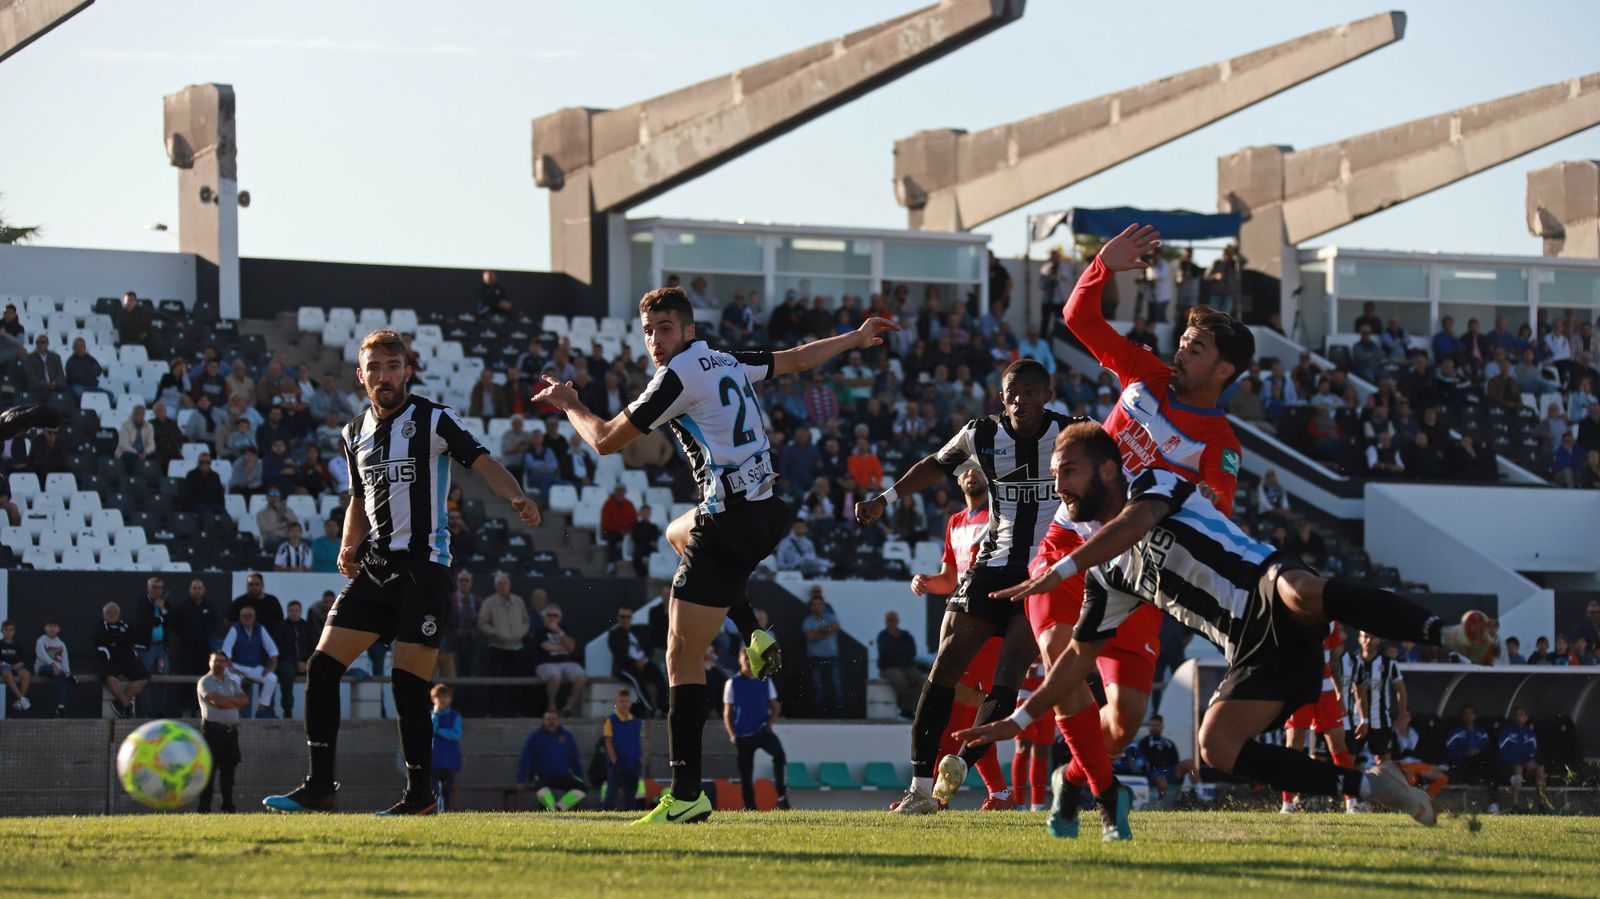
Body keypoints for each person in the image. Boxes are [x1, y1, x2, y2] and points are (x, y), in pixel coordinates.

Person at [958, 421, 1503, 829]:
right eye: (1054, 476)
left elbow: (1138, 522)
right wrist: (1020, 718)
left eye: (1067, 472)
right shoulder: (1107, 573)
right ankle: (1374, 788)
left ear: (1106, 470)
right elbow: (1076, 658)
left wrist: (1060, 570)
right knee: (1217, 745)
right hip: (1253, 650)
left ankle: (1450, 635)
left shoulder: (1154, 481)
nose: (1060, 488)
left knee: (1302, 589)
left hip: (1268, 585)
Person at [530, 285, 895, 825]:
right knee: (677, 531)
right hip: (767, 511)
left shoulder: (677, 376)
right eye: (649, 331)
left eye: (666, 329)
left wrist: (571, 404)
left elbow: (605, 440)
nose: (656, 340)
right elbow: (793, 359)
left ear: (688, 330)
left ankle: (684, 795)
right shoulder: (723, 358)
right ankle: (751, 627)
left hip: (730, 523)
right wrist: (856, 338)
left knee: (680, 656)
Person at [1022, 224, 1251, 840]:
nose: (1180, 353)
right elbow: (1078, 317)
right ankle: (1107, 801)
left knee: (1122, 722)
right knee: (1062, 664)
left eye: (1195, 349)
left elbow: (1215, 510)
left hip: (1140, 576)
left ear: (1225, 368)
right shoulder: (1144, 374)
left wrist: (1184, 496)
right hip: (1066, 546)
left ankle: (1071, 779)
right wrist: (1103, 265)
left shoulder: (1220, 444)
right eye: (1182, 341)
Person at [263, 328, 542, 816]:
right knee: (323, 667)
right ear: (360, 375)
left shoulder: (432, 419)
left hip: (425, 570)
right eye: (374, 368)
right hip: (375, 567)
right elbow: (356, 498)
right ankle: (320, 785)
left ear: (406, 370)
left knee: (407, 684)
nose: (383, 376)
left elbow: (482, 461)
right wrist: (349, 544)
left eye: (392, 367)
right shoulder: (353, 433)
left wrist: (516, 495)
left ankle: (419, 796)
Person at [855, 356, 1068, 817]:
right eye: (1013, 392)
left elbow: (1114, 470)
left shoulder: (1070, 435)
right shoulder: (982, 434)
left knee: (1008, 676)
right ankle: (919, 784)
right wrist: (885, 499)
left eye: (1031, 391)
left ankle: (961, 767)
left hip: (1041, 575)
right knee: (943, 670)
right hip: (990, 568)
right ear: (1002, 397)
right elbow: (935, 463)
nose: (1020, 400)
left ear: (1047, 395)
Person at [901, 465, 1012, 810]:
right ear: (956, 480)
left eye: (977, 469)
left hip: (989, 622)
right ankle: (1000, 794)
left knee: (954, 710)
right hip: (964, 618)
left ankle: (936, 796)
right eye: (964, 470)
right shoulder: (956, 522)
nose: (970, 474)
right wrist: (926, 582)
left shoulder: (1001, 513)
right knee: (968, 713)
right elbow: (950, 578)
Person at [1281, 624, 1359, 814]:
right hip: (1299, 689)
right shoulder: (1291, 615)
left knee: (1339, 747)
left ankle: (1352, 802)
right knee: (1294, 747)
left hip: (1325, 691)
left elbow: (1333, 659)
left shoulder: (1330, 622)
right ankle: (1287, 803)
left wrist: (1339, 692)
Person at [724, 649, 791, 811]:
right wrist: (733, 735)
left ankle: (781, 797)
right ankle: (750, 808)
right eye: (744, 657)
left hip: (762, 730)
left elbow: (775, 706)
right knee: (746, 775)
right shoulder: (732, 683)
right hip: (743, 735)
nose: (747, 660)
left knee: (779, 755)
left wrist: (768, 725)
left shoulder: (765, 680)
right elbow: (727, 712)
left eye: (750, 658)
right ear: (739, 660)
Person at [195, 651, 247, 813]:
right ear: (210, 663)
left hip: (231, 733)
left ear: (227, 664)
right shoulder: (205, 682)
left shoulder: (231, 682)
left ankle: (228, 807)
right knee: (209, 772)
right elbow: (217, 702)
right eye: (216, 661)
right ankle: (204, 808)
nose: (219, 664)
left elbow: (245, 700)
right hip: (212, 732)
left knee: (228, 773)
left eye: (222, 661)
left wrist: (228, 701)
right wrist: (233, 702)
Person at [478, 573, 529, 718]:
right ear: (495, 585)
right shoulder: (489, 602)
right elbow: (482, 622)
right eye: (500, 583)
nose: (502, 586)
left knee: (517, 682)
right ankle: (494, 712)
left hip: (517, 648)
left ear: (509, 585)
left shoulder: (518, 601)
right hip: (497, 648)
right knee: (496, 681)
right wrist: (496, 633)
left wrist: (520, 633)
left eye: (505, 583)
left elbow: (526, 620)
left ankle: (516, 712)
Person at [516, 710, 588, 811]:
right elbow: (525, 759)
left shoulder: (567, 736)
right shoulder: (535, 737)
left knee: (582, 788)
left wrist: (580, 777)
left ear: (558, 721)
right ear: (543, 721)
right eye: (548, 719)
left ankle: (559, 807)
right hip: (540, 775)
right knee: (541, 789)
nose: (551, 722)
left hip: (562, 775)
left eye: (554, 719)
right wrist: (520, 780)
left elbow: (574, 759)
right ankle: (551, 809)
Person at [221, 606, 280, 719]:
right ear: (240, 618)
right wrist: (232, 669)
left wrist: (271, 667)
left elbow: (273, 650)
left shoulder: (260, 628)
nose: (247, 618)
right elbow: (225, 651)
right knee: (235, 679)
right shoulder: (235, 628)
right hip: (237, 665)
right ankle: (237, 711)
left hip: (254, 667)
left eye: (250, 616)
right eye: (244, 616)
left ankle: (262, 709)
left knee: (271, 678)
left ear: (255, 618)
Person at [94, 602, 150, 718]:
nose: (112, 614)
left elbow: (131, 639)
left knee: (144, 676)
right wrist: (117, 640)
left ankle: (121, 704)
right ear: (103, 614)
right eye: (108, 612)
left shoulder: (126, 625)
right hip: (110, 660)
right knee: (109, 677)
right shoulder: (100, 627)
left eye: (115, 612)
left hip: (127, 659)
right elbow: (100, 639)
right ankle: (127, 706)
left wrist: (115, 641)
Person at [608, 607, 666, 717]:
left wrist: (645, 660)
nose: (624, 619)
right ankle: (651, 709)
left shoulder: (639, 631)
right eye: (622, 617)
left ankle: (663, 707)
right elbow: (619, 653)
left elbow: (649, 647)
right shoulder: (614, 634)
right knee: (637, 680)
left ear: (631, 618)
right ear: (618, 618)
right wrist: (635, 662)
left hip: (643, 662)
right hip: (625, 666)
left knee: (659, 675)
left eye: (627, 617)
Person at [1446, 705, 1502, 813]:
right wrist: (1465, 753)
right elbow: (1450, 751)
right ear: (1462, 716)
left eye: (1470, 713)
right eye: (1466, 714)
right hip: (1464, 763)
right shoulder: (1455, 733)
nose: (1468, 716)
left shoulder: (1482, 733)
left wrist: (1478, 752)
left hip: (1481, 763)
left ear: (1475, 716)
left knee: (1492, 769)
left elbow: (1487, 749)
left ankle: (1493, 804)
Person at [535, 604, 587, 717]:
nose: (552, 618)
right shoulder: (540, 630)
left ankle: (569, 706)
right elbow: (546, 646)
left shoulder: (564, 629)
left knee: (581, 676)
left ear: (559, 617)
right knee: (555, 675)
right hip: (546, 663)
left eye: (555, 615)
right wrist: (565, 647)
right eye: (549, 615)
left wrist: (559, 631)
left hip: (566, 662)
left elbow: (572, 647)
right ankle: (552, 705)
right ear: (544, 617)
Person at [130, 577, 171, 718]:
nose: (157, 590)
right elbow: (146, 622)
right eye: (154, 587)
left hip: (161, 648)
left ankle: (159, 712)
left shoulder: (166, 604)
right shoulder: (142, 603)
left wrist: (163, 610)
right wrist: (161, 618)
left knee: (162, 678)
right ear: (148, 588)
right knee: (144, 678)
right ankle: (148, 712)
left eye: (159, 587)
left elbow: (172, 620)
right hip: (146, 648)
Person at [1497, 706, 1547, 811]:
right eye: (1516, 715)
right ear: (1513, 717)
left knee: (1540, 769)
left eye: (1522, 715)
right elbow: (1503, 751)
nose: (1519, 717)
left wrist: (1530, 761)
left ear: (1526, 718)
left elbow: (1533, 750)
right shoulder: (1507, 732)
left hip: (1526, 765)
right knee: (1518, 768)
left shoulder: (1530, 733)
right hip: (1510, 765)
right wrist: (1520, 761)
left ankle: (1541, 805)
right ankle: (1515, 805)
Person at [603, 687, 645, 811]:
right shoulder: (611, 720)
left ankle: (629, 812)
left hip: (633, 762)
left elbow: (637, 741)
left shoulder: (636, 721)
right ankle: (607, 813)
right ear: (616, 703)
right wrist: (614, 760)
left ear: (630, 703)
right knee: (612, 792)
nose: (624, 704)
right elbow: (608, 741)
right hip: (618, 763)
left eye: (626, 701)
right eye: (621, 701)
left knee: (631, 792)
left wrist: (639, 757)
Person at [801, 591, 842, 717]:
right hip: (815, 657)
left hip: (831, 656)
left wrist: (818, 631)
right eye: (815, 605)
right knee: (817, 687)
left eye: (819, 604)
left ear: (823, 605)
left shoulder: (831, 617)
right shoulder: (808, 621)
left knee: (835, 685)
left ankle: (838, 713)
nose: (817, 607)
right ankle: (820, 715)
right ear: (811, 607)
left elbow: (835, 627)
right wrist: (826, 631)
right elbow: (809, 636)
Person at [875, 611, 919, 720]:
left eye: (893, 620)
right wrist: (901, 652)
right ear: (886, 622)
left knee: (920, 680)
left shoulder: (905, 635)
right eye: (889, 620)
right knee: (900, 680)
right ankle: (903, 709)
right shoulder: (883, 636)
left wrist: (897, 652)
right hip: (889, 667)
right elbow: (886, 653)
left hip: (906, 666)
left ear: (898, 621)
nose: (892, 622)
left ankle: (911, 709)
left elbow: (912, 651)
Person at [1136, 715, 1181, 808]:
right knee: (1161, 781)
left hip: (1170, 770)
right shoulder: (1144, 743)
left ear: (1162, 727)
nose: (1154, 728)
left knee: (1189, 764)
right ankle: (1163, 804)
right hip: (1154, 772)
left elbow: (1176, 760)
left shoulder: (1169, 743)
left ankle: (1199, 794)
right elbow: (1140, 760)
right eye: (1152, 725)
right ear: (1149, 727)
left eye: (1157, 725)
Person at [430, 685, 463, 812]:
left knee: (447, 789)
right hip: (434, 759)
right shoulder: (431, 715)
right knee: (433, 790)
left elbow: (456, 734)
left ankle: (446, 811)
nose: (443, 699)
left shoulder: (455, 716)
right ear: (434, 699)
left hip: (450, 759)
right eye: (440, 696)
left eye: (446, 696)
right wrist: (436, 715)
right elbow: (431, 730)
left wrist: (440, 731)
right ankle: (433, 811)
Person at [33, 618, 73, 717]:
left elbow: (64, 661)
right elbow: (42, 655)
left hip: (57, 671)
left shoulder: (61, 644)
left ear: (59, 629)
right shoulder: (41, 641)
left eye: (55, 627)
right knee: (61, 674)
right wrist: (53, 665)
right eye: (50, 626)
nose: (52, 629)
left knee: (63, 675)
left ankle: (60, 707)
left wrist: (68, 673)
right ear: (45, 628)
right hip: (42, 667)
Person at [0, 619, 32, 713]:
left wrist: (20, 664)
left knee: (26, 674)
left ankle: (20, 701)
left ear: (14, 631)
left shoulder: (17, 644)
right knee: (7, 673)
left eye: (11, 629)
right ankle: (22, 699)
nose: (8, 632)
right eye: (5, 629)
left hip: (15, 667)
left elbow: (26, 659)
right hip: (3, 668)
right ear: (2, 631)